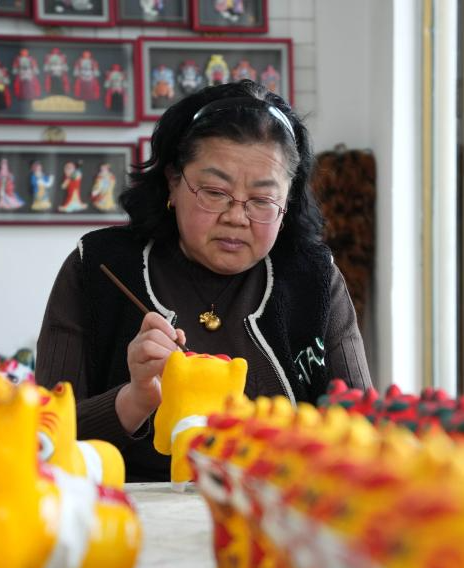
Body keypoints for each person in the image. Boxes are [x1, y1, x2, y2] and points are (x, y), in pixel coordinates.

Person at [36, 80, 372, 481]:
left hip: (276, 507)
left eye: (262, 200)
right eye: (214, 192)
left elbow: (361, 435)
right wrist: (134, 399)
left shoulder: (313, 277)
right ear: (173, 182)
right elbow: (45, 445)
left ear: (288, 203)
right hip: (123, 510)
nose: (236, 217)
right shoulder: (99, 267)